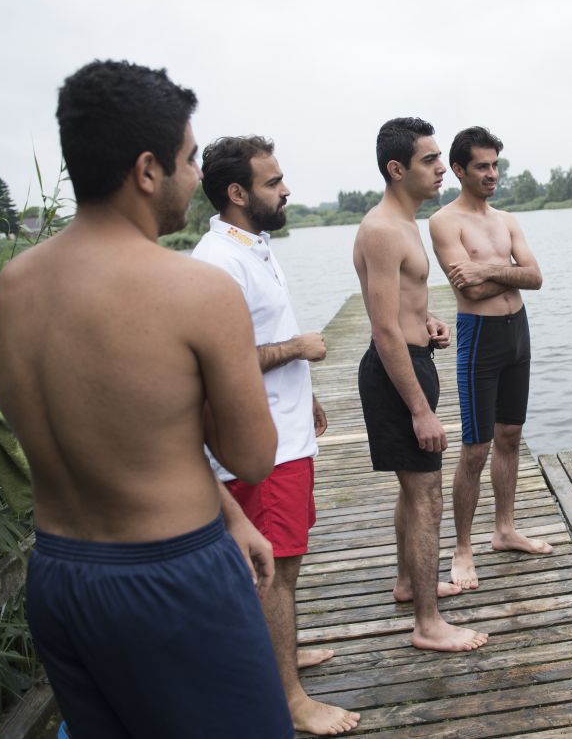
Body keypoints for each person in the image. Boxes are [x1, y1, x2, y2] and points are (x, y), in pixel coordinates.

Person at [0, 60, 293, 737]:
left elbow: (124, 437)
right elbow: (253, 457)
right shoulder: (196, 291)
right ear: (148, 169)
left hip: (61, 577)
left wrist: (232, 519)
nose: (194, 177)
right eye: (188, 159)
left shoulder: (14, 286)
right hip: (172, 578)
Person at [191, 136, 359, 735]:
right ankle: (290, 699)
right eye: (273, 182)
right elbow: (218, 360)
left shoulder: (254, 247)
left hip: (287, 434)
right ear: (237, 193)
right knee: (272, 569)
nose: (286, 190)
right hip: (258, 449)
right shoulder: (218, 261)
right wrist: (297, 349)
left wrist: (303, 384)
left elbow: (263, 331)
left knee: (284, 565)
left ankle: (278, 654)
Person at [353, 117, 489, 652]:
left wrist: (427, 321)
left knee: (414, 489)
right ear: (397, 168)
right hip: (395, 375)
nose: (440, 168)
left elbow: (402, 310)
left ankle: (409, 583)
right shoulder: (383, 230)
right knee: (427, 494)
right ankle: (428, 624)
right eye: (430, 160)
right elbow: (384, 328)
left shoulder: (406, 223)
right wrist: (419, 410)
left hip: (413, 358)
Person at [429, 127, 549, 591]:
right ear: (459, 170)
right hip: (479, 337)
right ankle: (462, 547)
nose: (491, 173)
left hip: (517, 332)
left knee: (511, 435)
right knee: (476, 447)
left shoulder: (507, 219)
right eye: (482, 166)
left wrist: (490, 268)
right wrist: (507, 274)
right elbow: (471, 289)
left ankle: (504, 529)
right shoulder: (445, 222)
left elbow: (536, 277)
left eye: (495, 164)